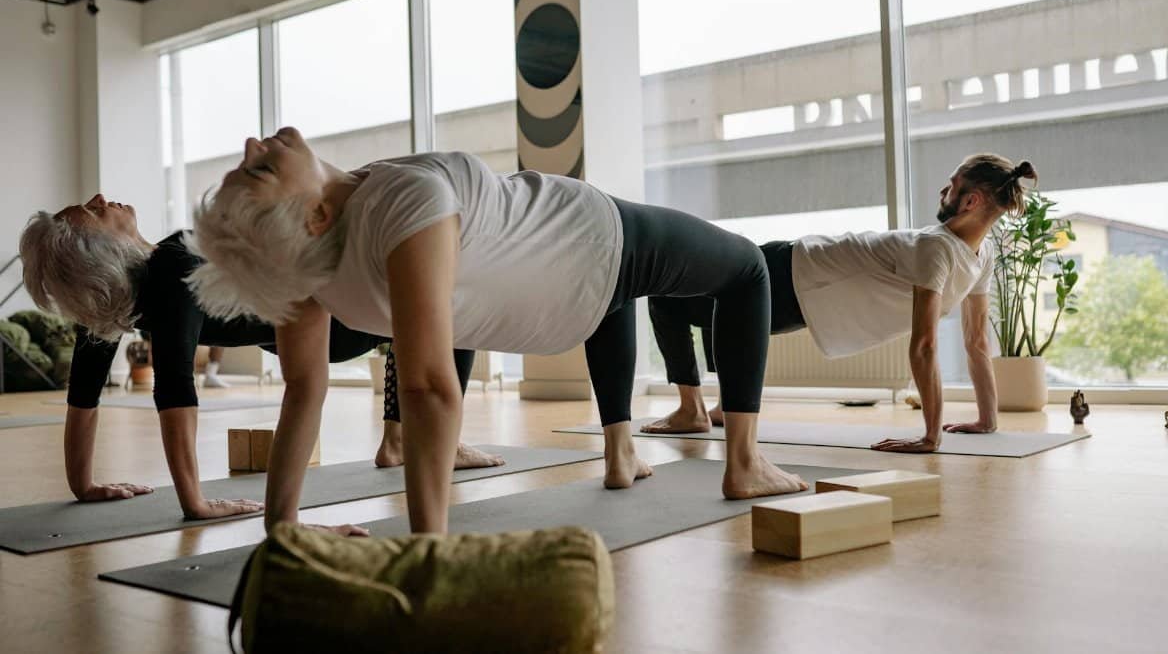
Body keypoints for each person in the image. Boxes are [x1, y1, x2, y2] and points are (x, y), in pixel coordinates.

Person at [187, 126, 807, 536]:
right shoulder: (402, 200)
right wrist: (429, 550)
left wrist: (283, 526)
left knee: (617, 303)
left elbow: (303, 388)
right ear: (316, 216)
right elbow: (430, 386)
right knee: (748, 268)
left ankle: (620, 453)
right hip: (594, 238)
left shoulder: (310, 272)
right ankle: (746, 462)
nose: (252, 145)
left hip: (563, 300)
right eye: (261, 170)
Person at [19, 195, 501, 522]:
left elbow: (82, 401)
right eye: (91, 210)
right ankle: (427, 442)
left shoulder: (138, 293)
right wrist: (196, 503)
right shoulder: (168, 268)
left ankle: (399, 442)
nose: (102, 197)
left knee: (425, 311)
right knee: (451, 303)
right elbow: (174, 390)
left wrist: (83, 486)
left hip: (306, 325)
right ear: (98, 250)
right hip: (329, 324)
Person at [643, 154, 1036, 453]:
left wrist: (934, 435)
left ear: (970, 201)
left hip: (791, 283)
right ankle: (702, 409)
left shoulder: (941, 250)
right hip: (789, 266)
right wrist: (984, 421)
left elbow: (928, 345)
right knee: (689, 298)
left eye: (951, 187)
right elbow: (974, 341)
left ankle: (695, 409)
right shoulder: (976, 253)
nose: (942, 192)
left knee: (668, 297)